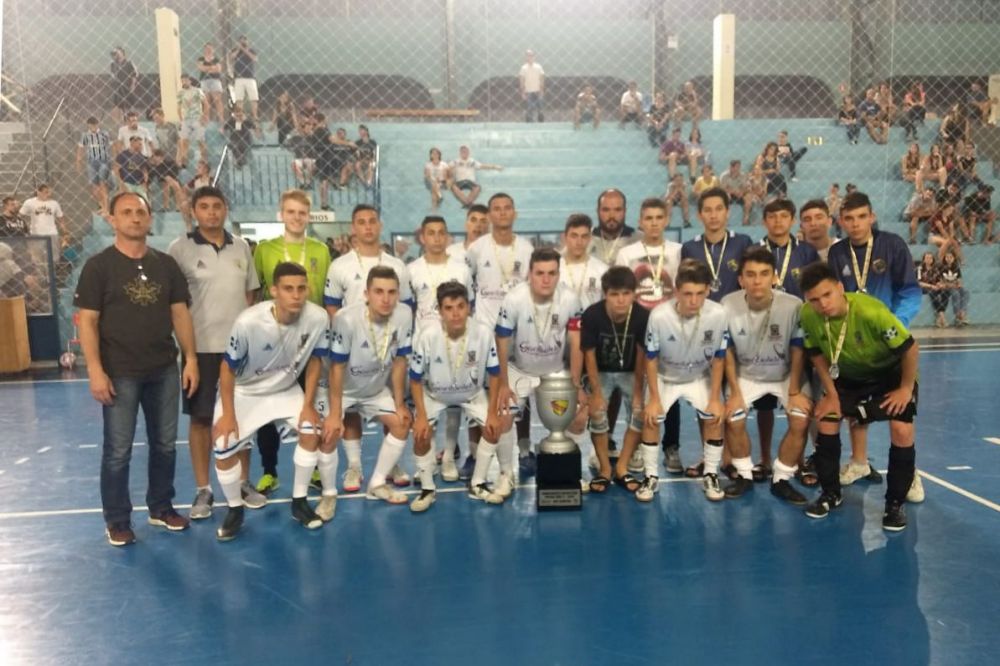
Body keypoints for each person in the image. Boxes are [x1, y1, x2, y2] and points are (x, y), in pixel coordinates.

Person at [74, 191, 199, 546]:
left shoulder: (165, 265)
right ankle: (117, 519)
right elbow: (88, 322)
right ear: (112, 220)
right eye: (126, 212)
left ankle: (161, 507)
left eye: (140, 212)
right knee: (118, 449)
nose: (134, 218)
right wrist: (95, 371)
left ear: (149, 218)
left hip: (163, 369)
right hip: (120, 373)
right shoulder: (99, 267)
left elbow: (180, 313)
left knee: (165, 444)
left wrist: (189, 358)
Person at [212, 262, 330, 539]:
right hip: (245, 392)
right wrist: (228, 414)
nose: (296, 295)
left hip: (286, 388)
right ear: (274, 291)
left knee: (312, 431)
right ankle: (234, 509)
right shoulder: (248, 322)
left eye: (301, 288)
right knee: (223, 444)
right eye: (288, 289)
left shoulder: (318, 318)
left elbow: (315, 360)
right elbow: (227, 369)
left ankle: (299, 502)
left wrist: (309, 404)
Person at [798, 261, 919, 531]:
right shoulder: (807, 314)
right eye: (815, 299)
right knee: (827, 419)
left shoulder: (870, 311)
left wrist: (906, 389)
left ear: (840, 288)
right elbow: (816, 353)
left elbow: (910, 349)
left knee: (901, 430)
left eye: (827, 294)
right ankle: (831, 493)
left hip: (890, 375)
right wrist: (830, 392)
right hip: (849, 378)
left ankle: (894, 504)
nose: (823, 304)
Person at [167, 186, 261, 521]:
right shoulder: (179, 249)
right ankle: (203, 489)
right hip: (200, 351)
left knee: (242, 419)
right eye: (204, 207)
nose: (211, 212)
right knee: (202, 419)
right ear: (194, 211)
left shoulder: (242, 247)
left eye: (217, 206)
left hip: (239, 353)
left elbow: (251, 296)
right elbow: (175, 304)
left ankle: (244, 483)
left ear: (225, 209)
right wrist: (187, 351)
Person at [827, 191, 923, 496]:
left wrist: (895, 325)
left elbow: (910, 291)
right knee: (856, 406)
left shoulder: (892, 245)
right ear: (841, 221)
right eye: (849, 219)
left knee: (900, 415)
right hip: (854, 342)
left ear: (872, 217)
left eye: (861, 217)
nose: (855, 224)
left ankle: (909, 474)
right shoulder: (837, 252)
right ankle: (858, 461)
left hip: (890, 340)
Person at [324, 205, 414, 491]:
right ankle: (354, 465)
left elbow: (405, 308)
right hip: (351, 347)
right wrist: (346, 340)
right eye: (361, 222)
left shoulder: (397, 266)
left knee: (393, 408)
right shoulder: (339, 265)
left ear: (380, 224)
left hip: (386, 350)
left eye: (372, 221)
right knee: (349, 410)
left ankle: (392, 462)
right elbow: (331, 306)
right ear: (353, 228)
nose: (367, 227)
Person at [625, 259, 726, 502]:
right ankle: (651, 477)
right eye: (688, 294)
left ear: (708, 291)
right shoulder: (659, 316)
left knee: (714, 415)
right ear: (677, 292)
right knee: (651, 418)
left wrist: (715, 398)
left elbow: (720, 358)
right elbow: (650, 358)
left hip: (699, 375)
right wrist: (654, 399)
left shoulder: (718, 313)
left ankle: (711, 474)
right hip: (665, 376)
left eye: (700, 293)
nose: (694, 300)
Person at [251, 189, 332, 494]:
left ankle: (310, 467)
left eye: (302, 213)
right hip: (273, 342)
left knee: (311, 405)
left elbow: (323, 298)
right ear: (281, 214)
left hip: (309, 340)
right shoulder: (265, 250)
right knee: (268, 408)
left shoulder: (321, 250)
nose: (297, 218)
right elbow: (257, 294)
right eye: (291, 212)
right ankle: (269, 470)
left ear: (308, 216)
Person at [721, 246, 812, 503]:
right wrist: (735, 393)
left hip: (785, 375)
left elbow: (798, 351)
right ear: (741, 279)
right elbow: (726, 350)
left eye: (763, 274)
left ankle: (781, 478)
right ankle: (744, 475)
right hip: (746, 375)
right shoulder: (727, 304)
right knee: (734, 418)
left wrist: (794, 391)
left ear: (774, 277)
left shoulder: (793, 305)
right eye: (750, 274)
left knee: (801, 419)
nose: (757, 280)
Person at [410, 282, 507, 508]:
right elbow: (414, 380)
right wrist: (421, 416)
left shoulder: (483, 333)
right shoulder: (427, 336)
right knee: (420, 434)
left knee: (494, 428)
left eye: (460, 306)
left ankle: (478, 483)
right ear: (440, 311)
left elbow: (494, 375)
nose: (455, 314)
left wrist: (492, 413)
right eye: (449, 308)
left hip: (472, 394)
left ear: (469, 308)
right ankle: (427, 489)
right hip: (435, 395)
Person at [495, 247, 584, 490]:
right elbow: (501, 341)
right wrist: (503, 384)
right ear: (529, 274)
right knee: (503, 416)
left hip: (555, 371)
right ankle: (505, 475)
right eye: (540, 273)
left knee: (578, 418)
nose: (546, 279)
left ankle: (571, 471)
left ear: (558, 274)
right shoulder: (514, 299)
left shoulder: (570, 299)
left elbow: (576, 342)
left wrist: (575, 383)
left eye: (552, 273)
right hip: (520, 369)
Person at [408, 216, 473, 481]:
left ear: (447, 237)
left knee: (454, 403)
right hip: (423, 347)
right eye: (431, 233)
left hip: (456, 344)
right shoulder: (411, 270)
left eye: (441, 233)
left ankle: (448, 457)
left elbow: (470, 308)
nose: (436, 238)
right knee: (425, 406)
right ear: (422, 237)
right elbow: (407, 309)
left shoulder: (462, 269)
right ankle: (428, 459)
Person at [580, 266, 649, 492]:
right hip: (600, 371)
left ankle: (621, 466)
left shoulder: (641, 316)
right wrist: (596, 393)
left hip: (630, 371)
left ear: (634, 294)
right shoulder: (592, 314)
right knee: (598, 412)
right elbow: (588, 355)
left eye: (626, 294)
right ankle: (604, 469)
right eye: (614, 294)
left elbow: (641, 356)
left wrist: (638, 390)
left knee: (639, 410)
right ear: (605, 294)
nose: (620, 300)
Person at [682, 188, 754, 301]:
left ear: (728, 212)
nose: (713, 215)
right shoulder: (689, 248)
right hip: (703, 313)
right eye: (707, 210)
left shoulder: (743, 243)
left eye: (719, 209)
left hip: (736, 312)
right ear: (699, 215)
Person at [615, 197, 683, 311]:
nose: (654, 223)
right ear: (640, 222)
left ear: (666, 221)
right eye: (649, 218)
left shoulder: (679, 251)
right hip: (636, 317)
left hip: (670, 315)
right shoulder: (626, 254)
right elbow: (620, 291)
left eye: (659, 218)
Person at [760, 199, 820, 298]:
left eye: (784, 216)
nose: (778, 221)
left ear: (793, 220)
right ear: (764, 222)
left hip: (799, 311)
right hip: (763, 311)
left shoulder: (807, 251)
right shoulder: (753, 251)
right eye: (772, 216)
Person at [560, 214, 608, 311]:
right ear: (565, 237)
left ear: (590, 238)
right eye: (574, 236)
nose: (579, 242)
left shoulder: (602, 269)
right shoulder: (553, 268)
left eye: (584, 236)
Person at [76, 116, 113, 216]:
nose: (93, 127)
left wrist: (113, 160)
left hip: (103, 161)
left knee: (102, 184)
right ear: (88, 126)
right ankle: (102, 205)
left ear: (98, 125)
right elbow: (80, 148)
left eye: (94, 125)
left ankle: (106, 208)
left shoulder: (104, 134)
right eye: (91, 126)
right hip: (91, 163)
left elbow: (112, 145)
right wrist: (78, 161)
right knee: (94, 188)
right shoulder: (85, 135)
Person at [590, 189, 636, 265]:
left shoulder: (638, 239)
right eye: (606, 210)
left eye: (617, 210)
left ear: (625, 211)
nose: (612, 215)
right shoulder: (585, 239)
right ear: (598, 211)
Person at [19, 184, 67, 256]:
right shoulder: (29, 202)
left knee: (54, 257)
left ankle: (54, 266)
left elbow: (61, 218)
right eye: (46, 192)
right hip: (36, 234)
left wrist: (65, 232)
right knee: (37, 257)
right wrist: (24, 230)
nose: (48, 194)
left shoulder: (54, 203)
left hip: (52, 233)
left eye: (49, 192)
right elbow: (20, 215)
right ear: (38, 192)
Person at [176, 74, 208, 168]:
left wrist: (204, 117)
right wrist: (181, 120)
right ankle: (184, 161)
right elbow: (179, 107)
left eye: (186, 80)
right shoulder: (180, 93)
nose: (184, 82)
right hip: (186, 119)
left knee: (200, 141)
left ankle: (204, 160)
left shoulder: (197, 91)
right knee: (184, 141)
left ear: (190, 81)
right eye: (182, 80)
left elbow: (205, 104)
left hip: (197, 118)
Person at [229, 35, 260, 124]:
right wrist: (239, 49)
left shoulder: (251, 50)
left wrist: (245, 50)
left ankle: (255, 116)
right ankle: (240, 116)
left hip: (250, 77)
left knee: (254, 98)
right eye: (241, 41)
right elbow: (231, 58)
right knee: (239, 99)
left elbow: (255, 59)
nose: (243, 43)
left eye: (245, 41)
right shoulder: (235, 51)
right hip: (239, 78)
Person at [196, 43, 226, 123]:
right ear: (204, 50)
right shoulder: (201, 59)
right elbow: (201, 68)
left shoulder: (216, 59)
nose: (208, 50)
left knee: (217, 100)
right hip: (204, 81)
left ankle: (221, 119)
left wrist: (207, 69)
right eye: (207, 48)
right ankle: (207, 120)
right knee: (206, 101)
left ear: (213, 50)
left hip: (215, 80)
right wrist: (212, 68)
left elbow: (218, 69)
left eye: (210, 48)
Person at [915, 252, 947, 328]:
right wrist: (931, 286)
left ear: (933, 259)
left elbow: (939, 279)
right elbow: (919, 282)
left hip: (934, 286)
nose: (929, 260)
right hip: (923, 287)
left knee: (946, 292)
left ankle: (939, 317)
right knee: (933, 292)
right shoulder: (920, 268)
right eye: (927, 258)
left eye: (930, 258)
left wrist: (939, 284)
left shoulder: (935, 268)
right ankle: (941, 315)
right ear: (924, 259)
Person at [109, 47, 139, 125]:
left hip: (127, 86)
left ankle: (131, 119)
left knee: (129, 104)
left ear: (122, 53)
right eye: (114, 54)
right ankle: (122, 121)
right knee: (119, 105)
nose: (116, 55)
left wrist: (133, 85)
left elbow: (134, 75)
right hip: (118, 87)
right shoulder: (113, 64)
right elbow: (113, 75)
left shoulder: (129, 63)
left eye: (117, 53)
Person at [939, 250, 969, 326]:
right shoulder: (941, 267)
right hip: (946, 288)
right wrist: (953, 285)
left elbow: (959, 281)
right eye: (947, 257)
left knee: (965, 291)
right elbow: (942, 282)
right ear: (944, 258)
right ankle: (957, 316)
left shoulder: (956, 267)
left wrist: (958, 284)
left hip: (954, 286)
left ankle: (962, 313)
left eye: (950, 257)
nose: (949, 259)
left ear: (953, 258)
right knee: (955, 293)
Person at [720, 160, 754, 226]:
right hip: (729, 194)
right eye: (737, 167)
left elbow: (746, 187)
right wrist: (734, 191)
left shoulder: (742, 175)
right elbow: (723, 188)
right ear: (731, 167)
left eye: (739, 167)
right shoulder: (724, 176)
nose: (738, 169)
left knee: (749, 196)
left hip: (740, 194)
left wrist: (741, 192)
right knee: (725, 196)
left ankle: (746, 219)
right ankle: (725, 219)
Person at [519, 49, 545, 122]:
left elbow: (542, 78)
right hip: (528, 92)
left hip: (538, 91)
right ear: (526, 57)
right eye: (528, 55)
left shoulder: (539, 67)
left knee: (541, 110)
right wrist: (523, 92)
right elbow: (521, 80)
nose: (529, 57)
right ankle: (529, 127)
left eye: (531, 55)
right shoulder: (523, 68)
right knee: (529, 110)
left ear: (534, 56)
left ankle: (541, 125)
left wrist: (542, 90)